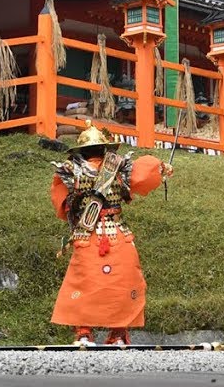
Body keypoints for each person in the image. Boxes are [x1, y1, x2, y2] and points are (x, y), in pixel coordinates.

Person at [49, 120, 172, 345]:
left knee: (83, 281)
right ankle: (117, 333)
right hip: (117, 232)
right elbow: (145, 175)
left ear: (81, 151)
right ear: (106, 148)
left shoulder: (70, 171)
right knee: (122, 281)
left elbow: (63, 205)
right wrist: (162, 168)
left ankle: (84, 332)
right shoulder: (120, 167)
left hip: (87, 234)